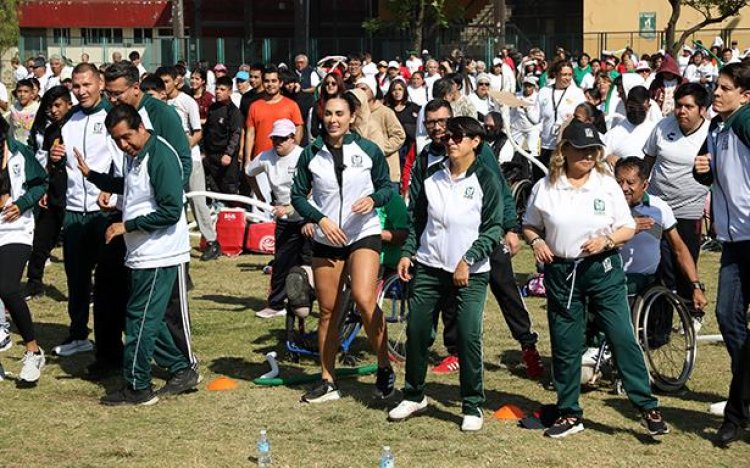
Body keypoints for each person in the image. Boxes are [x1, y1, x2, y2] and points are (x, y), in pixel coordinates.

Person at [522, 119, 668, 439]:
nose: (588, 155)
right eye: (582, 149)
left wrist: (608, 241)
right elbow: (530, 225)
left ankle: (646, 406)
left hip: (602, 269)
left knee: (621, 335)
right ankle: (570, 412)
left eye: (593, 149)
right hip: (562, 272)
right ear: (565, 150)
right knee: (566, 342)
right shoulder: (545, 186)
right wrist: (536, 241)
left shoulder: (605, 183)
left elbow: (627, 226)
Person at [388, 117, 503, 432]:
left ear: (475, 141)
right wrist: (408, 252)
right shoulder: (431, 176)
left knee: (467, 336)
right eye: (448, 135)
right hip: (429, 265)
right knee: (417, 331)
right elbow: (418, 220)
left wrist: (468, 258)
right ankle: (414, 394)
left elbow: (494, 227)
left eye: (459, 136)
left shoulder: (487, 179)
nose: (451, 141)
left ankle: (472, 404)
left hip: (471, 272)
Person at [78, 104, 193, 405]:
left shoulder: (161, 156)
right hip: (142, 251)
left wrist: (125, 225)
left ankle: (138, 387)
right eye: (117, 141)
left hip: (159, 253)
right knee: (143, 319)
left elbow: (170, 210)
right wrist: (94, 176)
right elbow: (130, 187)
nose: (123, 145)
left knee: (140, 319)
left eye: (127, 137)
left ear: (141, 126)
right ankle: (181, 367)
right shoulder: (135, 155)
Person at [290, 93, 395, 404]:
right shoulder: (310, 153)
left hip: (363, 232)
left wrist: (373, 200)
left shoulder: (368, 150)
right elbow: (297, 196)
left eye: (339, 114)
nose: (333, 120)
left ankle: (384, 367)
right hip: (328, 238)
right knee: (328, 311)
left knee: (364, 299)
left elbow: (388, 188)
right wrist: (320, 219)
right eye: (328, 114)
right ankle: (327, 380)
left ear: (352, 117)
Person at [103, 60, 197, 375]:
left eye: (117, 94)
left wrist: (166, 195)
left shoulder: (162, 115)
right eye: (109, 93)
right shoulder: (119, 119)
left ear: (135, 87)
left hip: (162, 222)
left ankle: (185, 365)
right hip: (136, 221)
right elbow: (131, 170)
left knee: (169, 303)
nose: (112, 100)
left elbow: (181, 160)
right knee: (142, 304)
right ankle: (169, 362)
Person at [49, 63, 128, 380]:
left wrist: (114, 194)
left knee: (109, 285)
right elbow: (59, 161)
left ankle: (113, 345)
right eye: (76, 86)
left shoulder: (113, 117)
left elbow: (124, 162)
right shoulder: (68, 120)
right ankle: (78, 333)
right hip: (74, 211)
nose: (81, 91)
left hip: (103, 212)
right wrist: (54, 159)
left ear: (99, 84)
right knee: (76, 277)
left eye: (86, 85)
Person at [692, 62, 750, 446]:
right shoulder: (717, 127)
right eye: (717, 86)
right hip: (732, 239)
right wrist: (702, 170)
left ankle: (737, 411)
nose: (717, 93)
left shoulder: (745, 121)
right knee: (727, 315)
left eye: (725, 88)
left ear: (745, 95)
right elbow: (707, 171)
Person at [644, 83, 711, 328]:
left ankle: (692, 312)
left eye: (688, 106)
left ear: (702, 110)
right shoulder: (662, 126)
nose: (681, 111)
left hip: (688, 211)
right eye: (679, 105)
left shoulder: (711, 134)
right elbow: (648, 160)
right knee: (659, 264)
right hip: (658, 208)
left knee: (685, 263)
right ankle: (659, 320)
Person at [614, 157, 706, 311]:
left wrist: (696, 286)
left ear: (644, 185)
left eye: (630, 183)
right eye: (619, 182)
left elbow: (679, 249)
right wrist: (629, 230)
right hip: (613, 281)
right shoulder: (607, 207)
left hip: (648, 283)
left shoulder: (659, 208)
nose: (623, 188)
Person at [0, 116, 48, 383]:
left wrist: (24, 202)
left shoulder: (20, 153)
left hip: (15, 229)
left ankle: (33, 350)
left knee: (6, 288)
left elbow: (41, 182)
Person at [157, 66, 219, 261]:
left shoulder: (187, 102)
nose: (164, 86)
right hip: (167, 162)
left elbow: (197, 131)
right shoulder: (158, 104)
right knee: (175, 201)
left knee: (198, 201)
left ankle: (211, 241)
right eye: (161, 82)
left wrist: (182, 151)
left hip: (189, 159)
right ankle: (177, 240)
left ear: (177, 81)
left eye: (166, 81)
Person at [245, 119, 306, 318]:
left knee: (307, 262)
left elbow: (314, 187)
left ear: (292, 138)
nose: (277, 142)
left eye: (282, 138)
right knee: (280, 262)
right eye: (274, 138)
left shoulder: (304, 156)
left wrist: (291, 207)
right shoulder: (265, 157)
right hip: (284, 219)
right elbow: (248, 172)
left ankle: (307, 301)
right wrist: (261, 195)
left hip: (307, 217)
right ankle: (276, 304)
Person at [24, 86, 73, 300]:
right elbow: (46, 163)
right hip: (54, 190)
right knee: (42, 238)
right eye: (50, 106)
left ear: (69, 105)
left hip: (76, 193)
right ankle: (34, 281)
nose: (53, 110)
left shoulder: (78, 126)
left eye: (58, 105)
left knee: (76, 244)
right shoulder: (51, 131)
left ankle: (85, 287)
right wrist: (44, 185)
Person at [529, 60, 585, 181]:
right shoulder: (544, 91)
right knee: (543, 179)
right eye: (564, 74)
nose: (567, 78)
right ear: (555, 74)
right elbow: (536, 118)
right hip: (545, 145)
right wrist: (525, 109)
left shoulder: (577, 93)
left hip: (565, 146)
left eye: (570, 75)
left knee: (561, 179)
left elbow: (583, 118)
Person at [354, 77, 406, 191]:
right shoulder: (354, 115)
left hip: (388, 172)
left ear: (372, 91)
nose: (360, 92)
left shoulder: (385, 112)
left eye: (364, 89)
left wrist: (379, 148)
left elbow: (399, 135)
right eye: (357, 89)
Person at [204, 76, 243, 195]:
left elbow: (235, 134)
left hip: (226, 157)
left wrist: (228, 154)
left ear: (230, 91)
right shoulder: (213, 108)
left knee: (228, 188)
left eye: (222, 89)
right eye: (217, 89)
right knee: (212, 186)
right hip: (211, 155)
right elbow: (207, 130)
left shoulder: (233, 111)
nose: (218, 92)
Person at [603, 86, 657, 164]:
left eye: (641, 108)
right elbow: (600, 153)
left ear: (648, 107)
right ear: (626, 106)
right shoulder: (615, 132)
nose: (636, 111)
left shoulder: (655, 130)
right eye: (632, 108)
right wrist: (607, 157)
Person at [383, 79, 419, 172]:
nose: (397, 92)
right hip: (394, 148)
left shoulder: (413, 107)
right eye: (394, 90)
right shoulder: (387, 110)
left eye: (400, 89)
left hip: (410, 147)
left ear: (404, 91)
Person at [309, 71, 345, 140]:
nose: (330, 85)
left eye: (333, 83)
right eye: (327, 83)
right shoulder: (318, 104)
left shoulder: (346, 102)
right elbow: (314, 130)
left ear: (339, 84)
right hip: (327, 140)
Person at [9, 79, 39, 144]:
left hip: (31, 148)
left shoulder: (38, 109)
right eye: (19, 91)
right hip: (16, 148)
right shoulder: (13, 108)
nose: (22, 94)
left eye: (26, 91)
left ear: (31, 93)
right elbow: (11, 130)